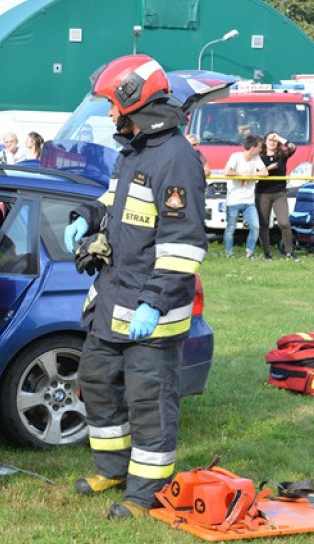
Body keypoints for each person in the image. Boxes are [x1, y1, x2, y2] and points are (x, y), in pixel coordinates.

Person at [63, 54, 207, 520]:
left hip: (152, 311)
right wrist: (87, 218)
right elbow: (112, 201)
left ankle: (146, 492)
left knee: (149, 402)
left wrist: (153, 302)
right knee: (98, 383)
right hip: (111, 299)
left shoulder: (178, 159)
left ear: (133, 102)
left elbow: (183, 245)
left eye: (111, 105)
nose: (109, 115)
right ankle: (113, 468)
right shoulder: (135, 152)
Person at [257, 131, 299, 260]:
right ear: (265, 142)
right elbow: (254, 172)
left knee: (284, 223)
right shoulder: (258, 156)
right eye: (270, 139)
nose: (273, 142)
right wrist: (268, 168)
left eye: (275, 140)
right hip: (263, 193)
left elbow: (293, 147)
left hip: (279, 193)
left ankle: (289, 252)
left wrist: (281, 138)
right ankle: (267, 253)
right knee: (264, 224)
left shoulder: (282, 155)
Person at [223, 135, 266, 259]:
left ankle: (250, 252)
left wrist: (251, 175)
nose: (261, 150)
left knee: (256, 226)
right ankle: (228, 253)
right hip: (233, 200)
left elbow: (265, 172)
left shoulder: (257, 158)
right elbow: (227, 171)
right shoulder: (235, 156)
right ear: (252, 148)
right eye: (259, 147)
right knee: (231, 228)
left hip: (249, 201)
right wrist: (242, 175)